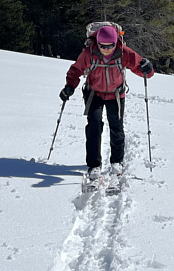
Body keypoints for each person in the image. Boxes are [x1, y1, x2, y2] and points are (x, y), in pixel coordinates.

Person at [59, 24, 154, 182]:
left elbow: (143, 71)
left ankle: (117, 162)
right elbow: (76, 70)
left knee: (116, 126)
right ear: (98, 42)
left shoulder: (124, 52)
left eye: (109, 46)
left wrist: (147, 68)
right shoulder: (89, 52)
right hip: (93, 93)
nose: (106, 49)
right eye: (102, 46)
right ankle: (94, 165)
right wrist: (69, 86)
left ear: (116, 42)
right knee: (94, 126)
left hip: (116, 94)